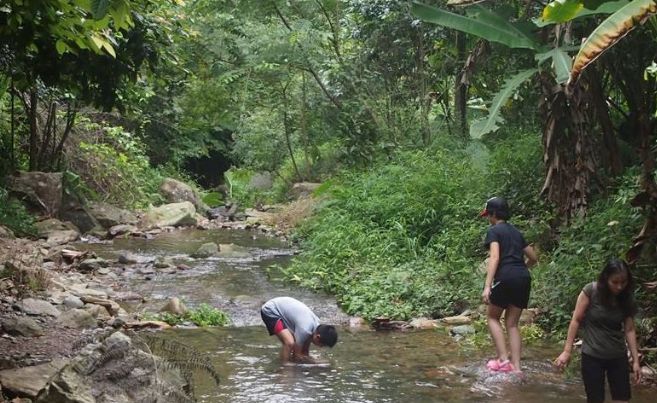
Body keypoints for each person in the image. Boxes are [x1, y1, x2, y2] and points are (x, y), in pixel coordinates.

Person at [554, 259, 641, 402]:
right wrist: (567, 351)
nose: (619, 287)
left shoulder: (627, 298)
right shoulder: (591, 291)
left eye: (623, 282)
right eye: (615, 282)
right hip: (592, 356)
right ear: (606, 278)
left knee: (622, 398)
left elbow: (630, 329)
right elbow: (576, 320)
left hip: (617, 356)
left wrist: (635, 360)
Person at [480, 196, 537, 373]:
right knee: (512, 324)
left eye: (489, 214)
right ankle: (517, 369)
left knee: (492, 317)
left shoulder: (494, 231)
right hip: (523, 278)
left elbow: (495, 257)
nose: (488, 218)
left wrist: (488, 285)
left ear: (494, 214)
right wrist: (520, 270)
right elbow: (534, 257)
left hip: (505, 277)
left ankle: (504, 360)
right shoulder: (516, 232)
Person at [260, 296, 338, 363]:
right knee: (289, 343)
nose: (320, 347)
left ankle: (285, 359)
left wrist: (308, 359)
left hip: (281, 308)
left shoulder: (315, 326)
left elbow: (304, 352)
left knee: (297, 346)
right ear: (318, 337)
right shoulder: (305, 329)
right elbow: (296, 355)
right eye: (322, 345)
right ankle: (284, 367)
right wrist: (313, 363)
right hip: (270, 310)